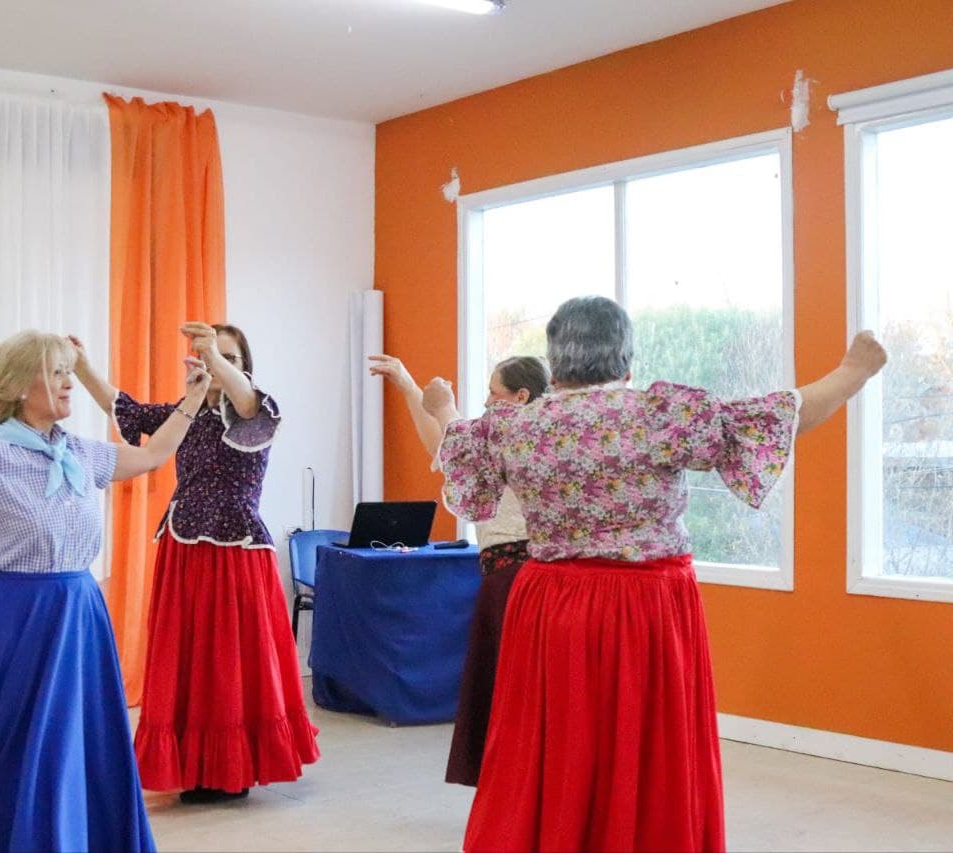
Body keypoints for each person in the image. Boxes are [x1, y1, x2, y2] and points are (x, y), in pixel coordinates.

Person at [424, 296, 887, 852]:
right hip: (645, 604)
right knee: (645, 743)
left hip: (549, 602)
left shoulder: (517, 427)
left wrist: (443, 405)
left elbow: (458, 445)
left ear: (556, 361)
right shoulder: (659, 416)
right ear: (625, 359)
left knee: (551, 740)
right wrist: (850, 374)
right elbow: (778, 418)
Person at [0, 330, 209, 852]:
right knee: (23, 748)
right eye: (56, 373)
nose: (69, 383)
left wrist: (193, 399)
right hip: (15, 618)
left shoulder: (79, 452)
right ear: (18, 386)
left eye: (68, 371)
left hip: (79, 613)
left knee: (75, 746)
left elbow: (153, 457)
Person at [73, 322, 319, 804]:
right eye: (206, 354)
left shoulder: (257, 411)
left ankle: (233, 767)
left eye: (228, 357)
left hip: (235, 555)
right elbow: (124, 408)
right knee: (188, 659)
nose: (214, 363)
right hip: (184, 551)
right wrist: (82, 367)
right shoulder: (184, 415)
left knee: (228, 660)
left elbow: (244, 397)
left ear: (243, 367)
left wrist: (215, 358)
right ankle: (195, 762)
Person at [368, 352, 548, 787]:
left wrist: (437, 402)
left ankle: (522, 781)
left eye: (492, 392)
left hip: (519, 577)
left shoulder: (527, 438)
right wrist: (408, 386)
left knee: (518, 690)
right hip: (504, 574)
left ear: (521, 396)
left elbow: (451, 437)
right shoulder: (504, 438)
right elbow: (445, 447)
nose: (486, 401)